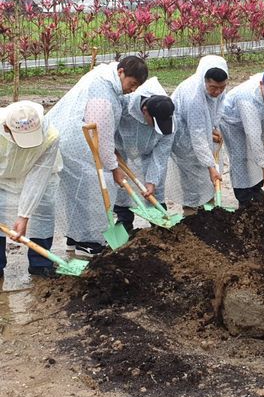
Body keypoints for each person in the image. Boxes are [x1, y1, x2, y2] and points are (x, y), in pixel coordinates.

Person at [48, 56, 148, 256]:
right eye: (132, 84)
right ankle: (89, 243)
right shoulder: (102, 93)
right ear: (121, 72)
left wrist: (113, 155)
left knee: (78, 194)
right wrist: (114, 169)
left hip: (72, 140)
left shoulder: (106, 79)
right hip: (78, 145)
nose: (132, 89)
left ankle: (74, 239)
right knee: (95, 192)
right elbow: (100, 135)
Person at [0, 101, 62, 278]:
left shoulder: (50, 136)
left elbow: (38, 177)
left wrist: (24, 215)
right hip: (1, 177)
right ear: (6, 128)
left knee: (42, 212)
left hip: (36, 173)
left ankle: (40, 263)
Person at [113, 77, 175, 233]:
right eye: (154, 123)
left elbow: (160, 156)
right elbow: (108, 127)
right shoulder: (124, 104)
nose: (156, 127)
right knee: (123, 186)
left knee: (155, 187)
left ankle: (159, 226)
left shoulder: (168, 114)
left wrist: (151, 182)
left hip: (150, 151)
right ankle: (124, 223)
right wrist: (110, 151)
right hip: (120, 149)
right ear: (145, 111)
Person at [168, 55, 228, 214]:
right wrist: (211, 167)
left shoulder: (219, 88)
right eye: (213, 87)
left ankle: (210, 213)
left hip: (201, 133)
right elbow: (198, 137)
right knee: (192, 182)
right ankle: (191, 216)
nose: (218, 92)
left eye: (222, 87)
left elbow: (219, 105)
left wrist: (213, 126)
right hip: (186, 142)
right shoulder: (194, 98)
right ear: (205, 81)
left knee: (208, 182)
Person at [221, 67, 264, 206]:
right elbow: (253, 135)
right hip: (233, 122)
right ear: (261, 85)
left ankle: (256, 189)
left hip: (258, 119)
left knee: (256, 155)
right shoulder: (247, 99)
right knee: (240, 157)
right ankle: (244, 197)